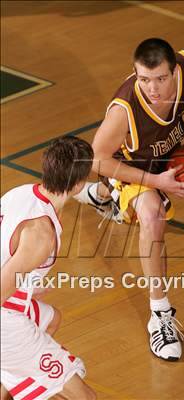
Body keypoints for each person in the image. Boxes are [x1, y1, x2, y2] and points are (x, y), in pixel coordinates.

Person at [75, 38, 184, 361]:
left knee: (136, 206)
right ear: (135, 74)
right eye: (143, 79)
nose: (152, 88)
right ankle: (160, 315)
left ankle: (101, 197)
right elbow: (96, 159)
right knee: (152, 216)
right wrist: (155, 182)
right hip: (129, 165)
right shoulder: (124, 111)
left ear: (174, 72)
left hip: (162, 154)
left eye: (161, 79)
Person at [1, 137, 97, 400]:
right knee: (86, 398)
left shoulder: (19, 193)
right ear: (78, 184)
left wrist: (27, 285)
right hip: (4, 321)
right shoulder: (42, 234)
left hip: (10, 305)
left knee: (51, 318)